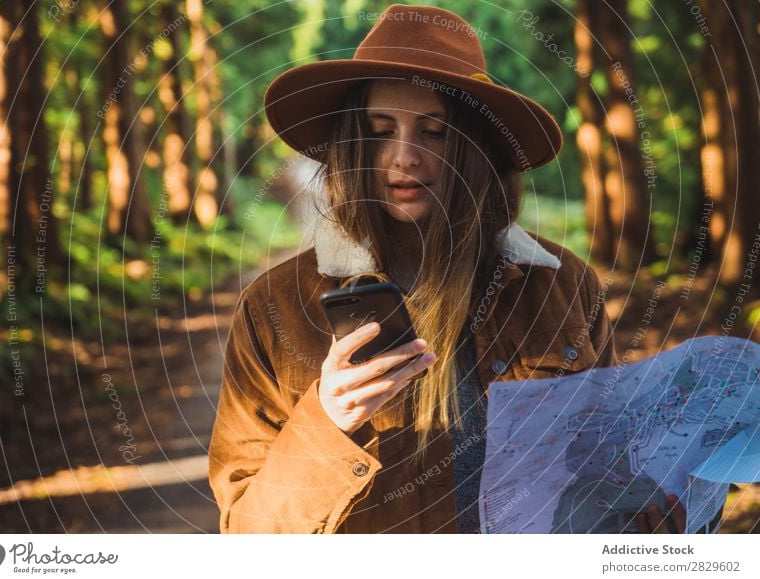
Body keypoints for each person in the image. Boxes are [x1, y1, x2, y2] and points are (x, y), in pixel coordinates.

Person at [208, 3, 686, 534]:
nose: (403, 157)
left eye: (433, 132)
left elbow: (606, 465)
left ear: (474, 147)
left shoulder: (563, 284)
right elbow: (247, 531)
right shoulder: (275, 307)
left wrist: (645, 513)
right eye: (380, 129)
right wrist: (326, 420)